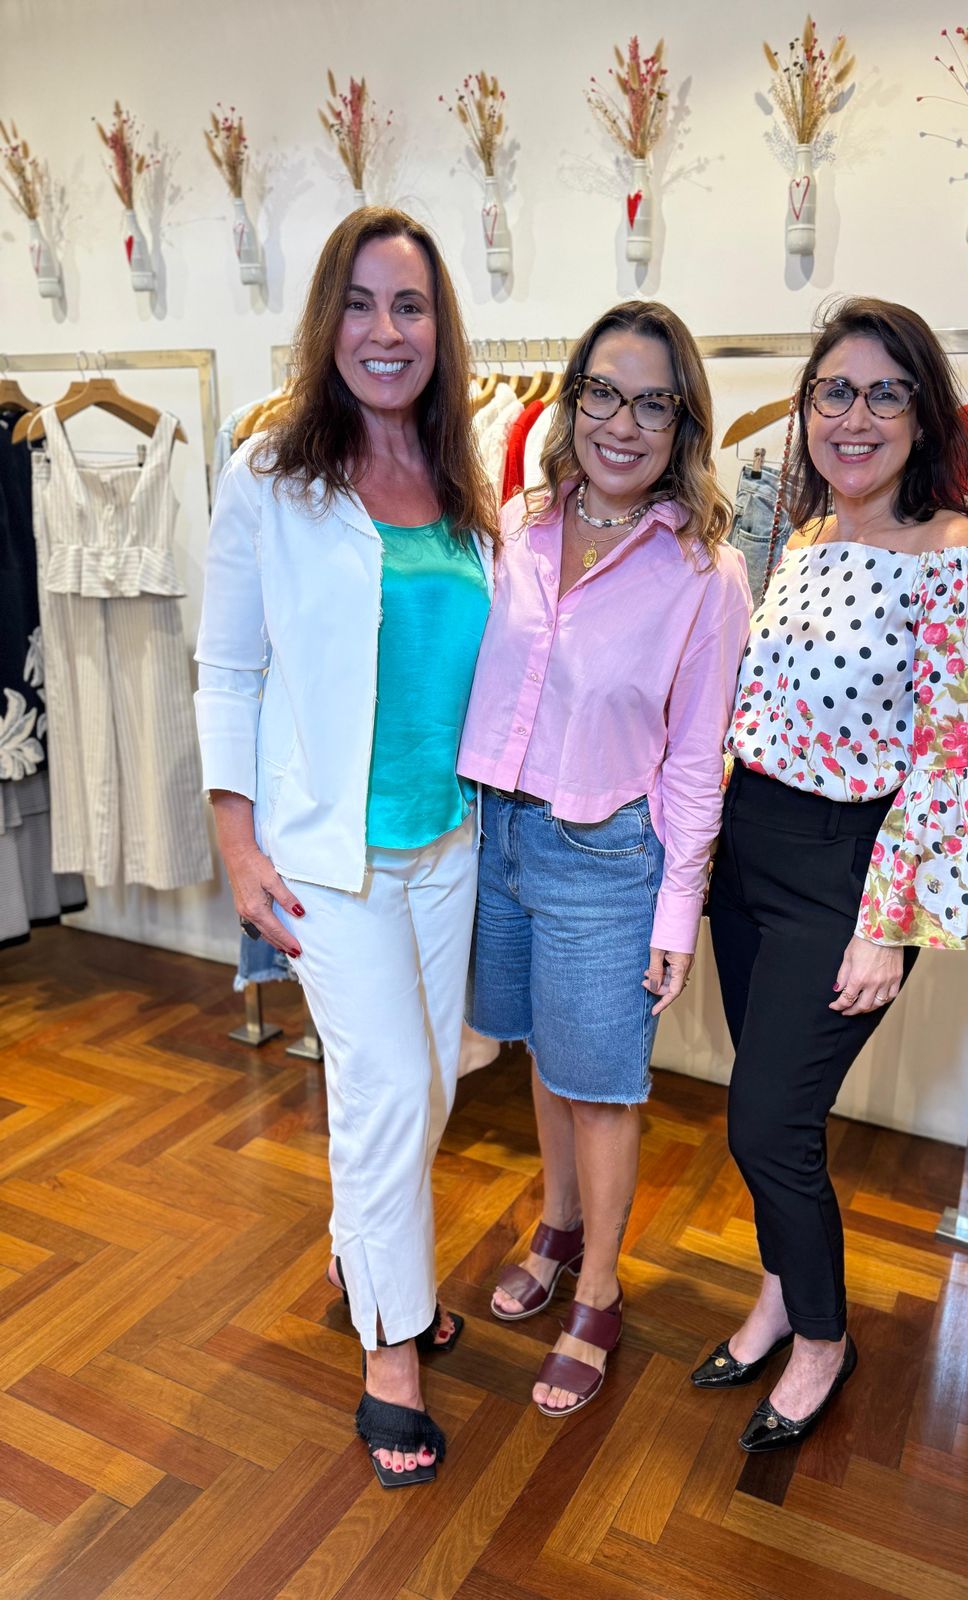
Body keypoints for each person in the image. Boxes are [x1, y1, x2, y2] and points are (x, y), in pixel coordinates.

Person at [194, 207, 497, 1489]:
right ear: (330, 321)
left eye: (412, 307)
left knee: (431, 1086)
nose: (389, 331)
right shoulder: (270, 472)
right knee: (380, 1093)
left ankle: (365, 1251)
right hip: (327, 854)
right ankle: (390, 1350)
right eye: (365, 305)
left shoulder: (462, 475)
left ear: (440, 328)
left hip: (446, 840)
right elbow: (228, 663)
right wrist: (232, 835)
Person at [694, 297, 968, 1453]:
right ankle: (782, 1288)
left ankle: (823, 1334)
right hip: (750, 854)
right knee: (769, 1112)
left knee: (768, 1121)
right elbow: (759, 705)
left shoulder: (959, 561)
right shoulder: (811, 537)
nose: (856, 415)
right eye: (834, 391)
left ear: (924, 414)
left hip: (849, 872)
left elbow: (951, 759)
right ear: (806, 411)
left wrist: (889, 926)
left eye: (885, 392)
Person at [458, 301, 753, 1417]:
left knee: (604, 1086)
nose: (621, 424)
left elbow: (695, 757)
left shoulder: (704, 570)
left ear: (683, 422)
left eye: (652, 402)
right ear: (572, 394)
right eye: (604, 393)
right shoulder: (518, 524)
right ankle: (556, 1221)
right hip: (502, 837)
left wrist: (677, 909)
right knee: (545, 1055)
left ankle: (599, 1288)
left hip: (607, 855)